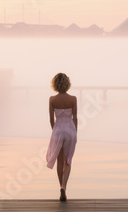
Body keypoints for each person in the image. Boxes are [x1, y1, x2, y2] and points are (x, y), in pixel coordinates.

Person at [46, 73, 78, 202]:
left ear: (55, 84)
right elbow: (75, 117)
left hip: (58, 130)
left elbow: (51, 120)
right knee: (68, 161)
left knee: (60, 162)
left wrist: (56, 131)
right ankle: (64, 187)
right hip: (70, 130)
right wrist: (75, 132)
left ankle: (61, 186)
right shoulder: (73, 99)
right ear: (67, 84)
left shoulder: (52, 99)